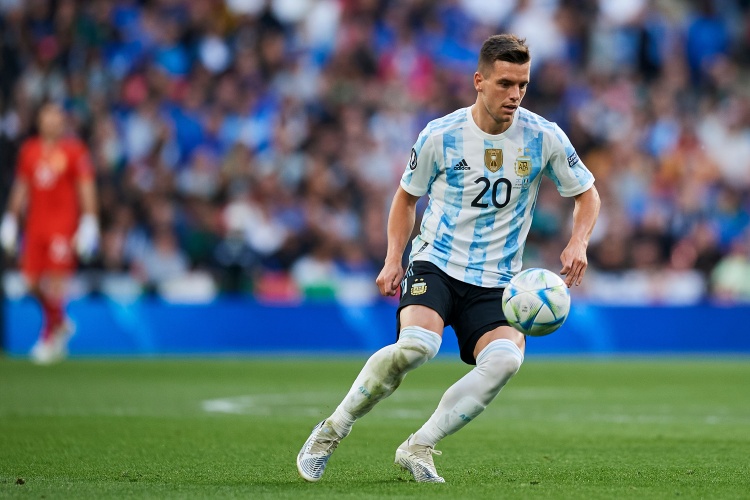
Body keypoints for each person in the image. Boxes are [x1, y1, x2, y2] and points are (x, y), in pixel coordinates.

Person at [297, 34, 600, 483]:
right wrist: (393, 258)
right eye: (504, 83)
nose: (515, 94)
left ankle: (419, 445)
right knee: (417, 347)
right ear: (479, 81)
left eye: (522, 84)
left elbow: (587, 194)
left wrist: (579, 242)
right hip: (436, 262)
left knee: (506, 361)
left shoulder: (544, 136)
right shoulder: (441, 134)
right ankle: (331, 430)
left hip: (498, 281)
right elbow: (406, 199)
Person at [0, 102, 99, 364]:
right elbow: (21, 186)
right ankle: (60, 321)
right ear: (40, 120)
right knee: (29, 282)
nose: (52, 121)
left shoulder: (74, 150)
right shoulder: (29, 150)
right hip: (35, 226)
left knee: (56, 283)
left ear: (62, 121)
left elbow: (86, 186)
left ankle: (48, 337)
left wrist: (89, 221)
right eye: (47, 116)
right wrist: (11, 218)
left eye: (56, 116)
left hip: (62, 226)